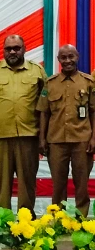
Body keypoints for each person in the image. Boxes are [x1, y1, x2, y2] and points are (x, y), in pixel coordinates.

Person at [0, 35, 46, 213]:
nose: (13, 52)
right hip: (0, 135)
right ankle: (4, 219)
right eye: (9, 49)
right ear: (3, 50)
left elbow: (46, 104)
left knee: (27, 180)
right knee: (1, 181)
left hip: (29, 135)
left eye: (17, 48)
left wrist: (44, 136)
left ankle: (26, 221)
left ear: (25, 48)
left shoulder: (37, 71)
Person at [36, 45, 95, 217]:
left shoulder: (88, 82)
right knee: (58, 184)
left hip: (82, 140)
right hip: (56, 141)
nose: (67, 60)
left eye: (71, 56)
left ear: (77, 57)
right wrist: (42, 139)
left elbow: (93, 111)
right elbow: (44, 113)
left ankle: (81, 219)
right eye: (63, 57)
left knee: (81, 183)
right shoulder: (50, 83)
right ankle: (59, 219)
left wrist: (93, 139)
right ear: (58, 60)